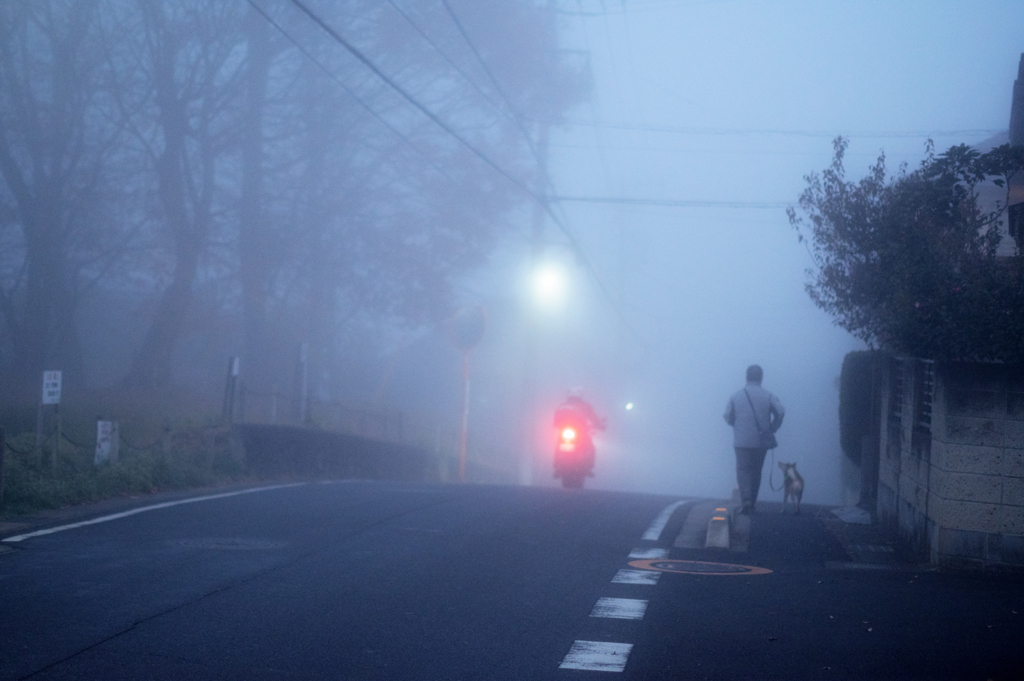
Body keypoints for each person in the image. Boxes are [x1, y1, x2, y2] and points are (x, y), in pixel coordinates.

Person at [723, 365, 785, 514]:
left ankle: (746, 501)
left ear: (746, 378)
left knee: (743, 470)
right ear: (761, 378)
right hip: (760, 441)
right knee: (757, 471)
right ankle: (753, 501)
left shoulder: (735, 396)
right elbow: (781, 411)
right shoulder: (768, 395)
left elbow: (727, 415)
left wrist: (736, 425)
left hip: (741, 441)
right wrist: (773, 427)